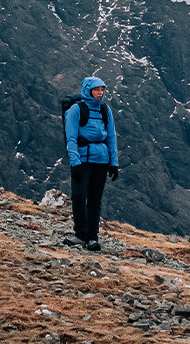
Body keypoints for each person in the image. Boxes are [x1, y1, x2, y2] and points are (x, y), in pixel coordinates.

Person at [64, 76, 119, 251]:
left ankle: (92, 238)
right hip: (82, 161)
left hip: (101, 161)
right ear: (88, 90)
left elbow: (111, 137)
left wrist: (114, 163)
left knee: (95, 200)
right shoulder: (76, 110)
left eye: (102, 89)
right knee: (79, 196)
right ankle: (81, 234)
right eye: (96, 90)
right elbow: (71, 139)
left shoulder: (105, 110)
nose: (100, 93)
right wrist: (75, 163)